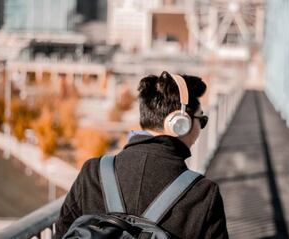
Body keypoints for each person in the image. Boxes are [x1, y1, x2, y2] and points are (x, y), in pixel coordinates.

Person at [54, 71, 228, 239]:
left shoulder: (93, 172)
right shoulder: (203, 193)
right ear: (180, 123)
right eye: (202, 120)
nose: (201, 128)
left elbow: (61, 234)